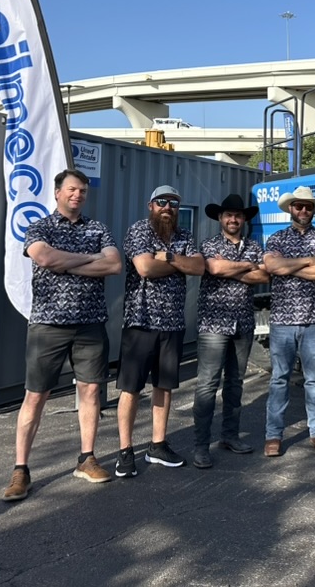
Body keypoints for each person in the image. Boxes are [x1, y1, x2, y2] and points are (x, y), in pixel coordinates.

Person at [3, 169, 123, 502]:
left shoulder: (97, 228)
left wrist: (65, 263)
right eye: (71, 189)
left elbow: (114, 265)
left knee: (90, 392)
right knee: (36, 396)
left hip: (90, 324)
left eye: (82, 190)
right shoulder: (40, 226)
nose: (78, 195)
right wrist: (89, 259)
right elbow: (44, 256)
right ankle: (21, 470)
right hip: (48, 325)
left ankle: (86, 458)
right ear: (58, 193)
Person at [116, 185, 205, 477]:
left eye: (174, 203)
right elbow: (144, 268)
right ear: (150, 205)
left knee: (164, 387)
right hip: (140, 322)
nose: (168, 207)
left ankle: (157, 444)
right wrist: (178, 264)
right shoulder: (139, 230)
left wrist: (166, 258)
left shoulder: (185, 236)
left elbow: (199, 267)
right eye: (162, 202)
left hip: (172, 324)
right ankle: (125, 451)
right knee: (131, 389)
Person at [192, 194, 267, 469]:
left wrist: (230, 269)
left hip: (243, 323)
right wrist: (247, 265)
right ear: (220, 218)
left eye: (237, 215)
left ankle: (229, 436)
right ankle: (201, 445)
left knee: (235, 384)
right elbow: (212, 267)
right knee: (208, 385)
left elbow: (264, 276)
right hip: (213, 323)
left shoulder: (255, 246)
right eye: (228, 215)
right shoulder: (209, 245)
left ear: (244, 219)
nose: (233, 219)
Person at [263, 186, 315, 456]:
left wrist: (288, 266)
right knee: (279, 379)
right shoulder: (276, 238)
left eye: (308, 206)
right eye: (298, 206)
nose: (303, 210)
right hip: (282, 320)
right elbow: (272, 267)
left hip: (314, 320)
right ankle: (273, 435)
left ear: (314, 210)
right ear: (290, 208)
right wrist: (307, 261)